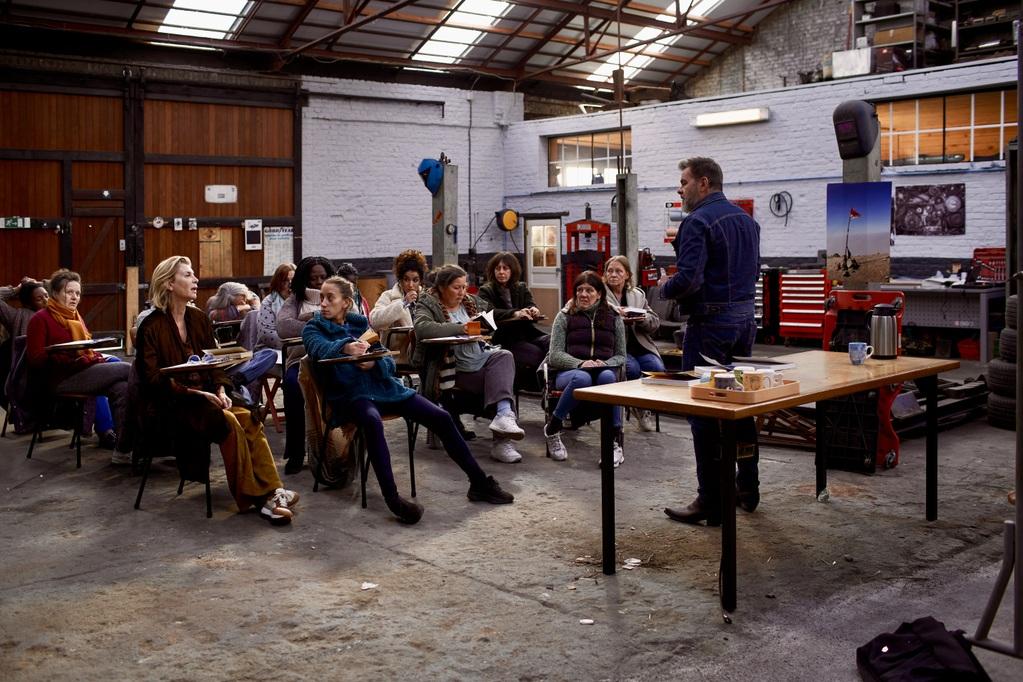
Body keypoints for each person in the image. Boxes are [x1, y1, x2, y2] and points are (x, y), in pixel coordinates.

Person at [303, 275, 513, 524]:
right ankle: (393, 499)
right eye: (322, 298)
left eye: (330, 298)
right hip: (350, 396)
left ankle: (479, 482)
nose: (323, 303)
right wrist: (346, 347)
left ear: (346, 303)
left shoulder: (361, 325)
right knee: (372, 421)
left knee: (441, 417)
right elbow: (318, 349)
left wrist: (373, 363)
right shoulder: (313, 329)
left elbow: (387, 361)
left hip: (385, 390)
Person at [135, 255, 298, 524]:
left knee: (248, 416)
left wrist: (221, 389)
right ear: (169, 284)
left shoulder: (198, 318)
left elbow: (215, 362)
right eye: (187, 275)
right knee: (229, 420)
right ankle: (257, 498)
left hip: (208, 398)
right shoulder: (151, 326)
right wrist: (199, 394)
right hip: (173, 403)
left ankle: (273, 490)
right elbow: (151, 380)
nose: (196, 279)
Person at [659, 157, 761, 526]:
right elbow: (753, 272)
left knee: (703, 411)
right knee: (741, 405)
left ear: (704, 183)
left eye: (684, 182)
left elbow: (689, 280)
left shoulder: (697, 221)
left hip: (711, 326)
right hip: (744, 322)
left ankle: (711, 500)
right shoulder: (747, 222)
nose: (679, 189)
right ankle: (747, 487)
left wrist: (663, 287)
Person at [413, 264, 526, 463]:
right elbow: (423, 328)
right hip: (452, 368)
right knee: (500, 384)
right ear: (442, 287)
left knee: (505, 356)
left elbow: (492, 318)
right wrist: (461, 328)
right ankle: (502, 439)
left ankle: (504, 417)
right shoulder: (428, 303)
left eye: (464, 287)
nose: (462, 292)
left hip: (479, 358)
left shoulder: (471, 302)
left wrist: (490, 324)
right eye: (456, 287)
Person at [25, 269, 131, 461]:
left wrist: (91, 355)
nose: (75, 297)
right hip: (60, 378)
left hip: (81, 370)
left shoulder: (75, 317)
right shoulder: (40, 319)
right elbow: (35, 359)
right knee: (128, 369)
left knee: (121, 387)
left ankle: (122, 448)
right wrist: (66, 356)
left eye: (78, 293)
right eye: (69, 292)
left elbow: (85, 348)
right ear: (55, 293)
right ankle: (147, 429)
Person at [543, 270, 626, 466]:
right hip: (569, 372)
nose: (583, 294)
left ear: (599, 294)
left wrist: (606, 363)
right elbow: (555, 355)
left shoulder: (614, 317)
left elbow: (621, 355)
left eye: (589, 290)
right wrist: (580, 363)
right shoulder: (564, 316)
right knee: (582, 378)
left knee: (608, 378)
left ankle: (614, 442)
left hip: (603, 370)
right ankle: (553, 428)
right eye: (579, 290)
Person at [277, 256, 334, 474]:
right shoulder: (295, 300)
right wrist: (318, 320)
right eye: (313, 278)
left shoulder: (339, 294)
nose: (319, 282)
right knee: (292, 385)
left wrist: (307, 320)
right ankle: (296, 452)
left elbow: (352, 320)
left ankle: (337, 449)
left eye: (323, 277)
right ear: (304, 279)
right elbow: (283, 327)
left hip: (333, 358)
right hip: (301, 359)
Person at [602, 255, 664, 432]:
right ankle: (639, 406)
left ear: (627, 275)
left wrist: (642, 319)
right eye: (610, 271)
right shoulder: (599, 295)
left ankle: (642, 405)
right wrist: (618, 320)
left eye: (618, 271)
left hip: (640, 345)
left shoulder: (637, 295)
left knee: (657, 369)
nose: (613, 275)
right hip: (615, 348)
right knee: (632, 369)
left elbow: (654, 322)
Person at [477, 252, 549, 392]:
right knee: (535, 353)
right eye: (498, 268)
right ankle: (538, 382)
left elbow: (529, 303)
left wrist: (533, 310)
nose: (501, 272)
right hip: (505, 338)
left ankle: (550, 379)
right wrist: (515, 313)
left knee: (553, 342)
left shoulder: (521, 287)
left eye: (505, 268)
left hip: (528, 334)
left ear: (513, 270)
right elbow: (489, 312)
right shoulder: (486, 291)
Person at [369, 249, 426, 365]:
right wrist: (403, 303)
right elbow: (374, 320)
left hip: (424, 355)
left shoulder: (426, 298)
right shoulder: (389, 296)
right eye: (406, 279)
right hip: (398, 357)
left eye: (415, 280)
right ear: (400, 280)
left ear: (420, 280)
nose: (411, 285)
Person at [255, 262, 295, 351]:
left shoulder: (301, 300)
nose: (290, 284)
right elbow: (267, 335)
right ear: (278, 282)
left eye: (294, 280)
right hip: (272, 349)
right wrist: (292, 347)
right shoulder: (269, 302)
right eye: (285, 281)